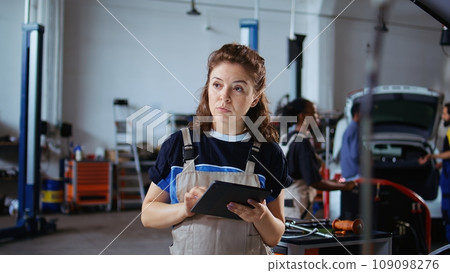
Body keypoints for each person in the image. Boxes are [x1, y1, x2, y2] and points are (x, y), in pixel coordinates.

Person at [141, 43, 292, 254]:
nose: (225, 96)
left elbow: (275, 236)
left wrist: (262, 217)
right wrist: (184, 208)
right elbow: (148, 215)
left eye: (238, 88)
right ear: (208, 87)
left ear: (255, 97)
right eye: (217, 85)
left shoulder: (269, 153)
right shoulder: (178, 145)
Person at [281, 98, 357, 220]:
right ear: (301, 117)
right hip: (298, 207)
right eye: (314, 113)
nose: (318, 117)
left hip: (286, 204)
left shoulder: (289, 138)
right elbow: (314, 181)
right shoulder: (302, 143)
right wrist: (344, 187)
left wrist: (334, 182)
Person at [419, 102, 450, 243]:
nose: (443, 117)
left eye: (444, 114)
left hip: (448, 180)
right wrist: (440, 164)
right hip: (446, 176)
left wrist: (432, 156)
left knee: (448, 213)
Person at [340, 102, 361, 181]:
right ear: (357, 114)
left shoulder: (349, 129)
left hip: (348, 174)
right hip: (355, 175)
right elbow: (355, 154)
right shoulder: (355, 130)